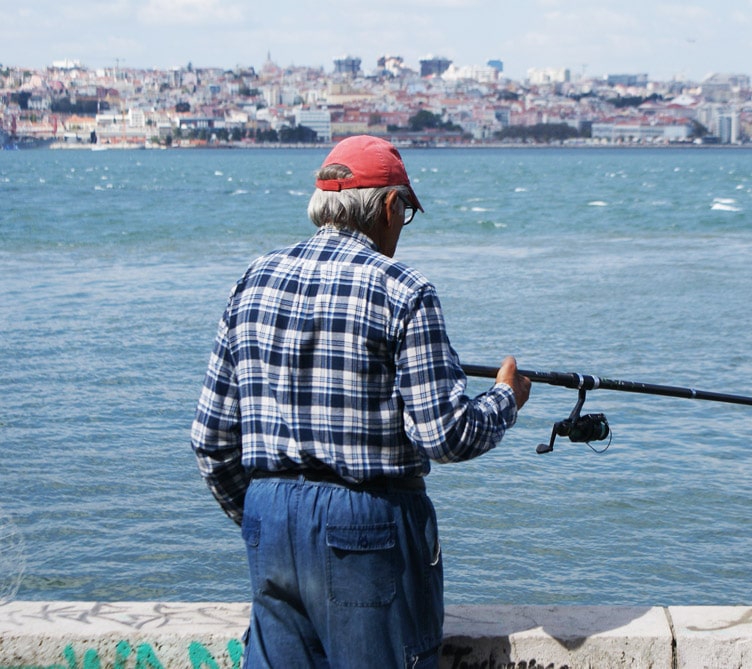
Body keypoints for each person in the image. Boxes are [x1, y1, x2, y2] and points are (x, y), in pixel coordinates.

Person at [190, 135, 530, 668]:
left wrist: (263, 517)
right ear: (390, 206)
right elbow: (444, 434)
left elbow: (211, 441)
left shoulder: (251, 281)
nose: (402, 227)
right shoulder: (403, 290)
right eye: (406, 212)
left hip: (270, 519)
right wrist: (505, 398)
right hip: (367, 523)